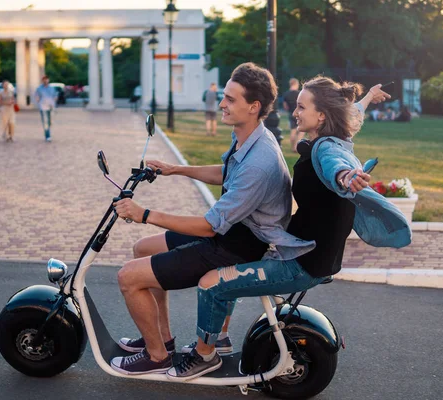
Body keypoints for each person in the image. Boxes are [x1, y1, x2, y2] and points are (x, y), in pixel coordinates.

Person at [169, 77, 412, 381]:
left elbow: (336, 167)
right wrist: (367, 98)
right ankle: (218, 338)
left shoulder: (326, 150)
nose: (293, 111)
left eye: (301, 106)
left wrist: (345, 178)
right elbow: (352, 116)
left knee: (210, 283)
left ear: (321, 115)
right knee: (230, 261)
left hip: (301, 264)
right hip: (309, 254)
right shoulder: (337, 137)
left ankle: (204, 357)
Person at [109, 62, 315, 376]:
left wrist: (144, 214)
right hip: (230, 232)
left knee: (128, 277)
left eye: (230, 99)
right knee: (143, 249)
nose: (221, 103)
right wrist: (175, 169)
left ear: (253, 106)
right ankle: (161, 341)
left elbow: (208, 226)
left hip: (237, 246)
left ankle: (156, 357)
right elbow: (227, 173)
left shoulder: (261, 160)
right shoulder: (250, 136)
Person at [33, 75, 57, 142]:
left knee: (50, 122)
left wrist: (53, 101)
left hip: (51, 107)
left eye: (46, 79)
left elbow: (55, 95)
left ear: (48, 80)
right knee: (45, 121)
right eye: (44, 79)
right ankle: (47, 136)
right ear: (42, 80)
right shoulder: (39, 88)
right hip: (43, 107)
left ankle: (47, 131)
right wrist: (40, 102)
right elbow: (36, 96)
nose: (45, 80)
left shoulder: (52, 88)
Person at [283, 78, 301, 152]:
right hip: (299, 113)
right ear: (296, 84)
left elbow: (285, 106)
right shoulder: (299, 93)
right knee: (301, 131)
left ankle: (293, 148)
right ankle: (297, 146)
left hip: (291, 113)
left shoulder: (286, 94)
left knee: (293, 131)